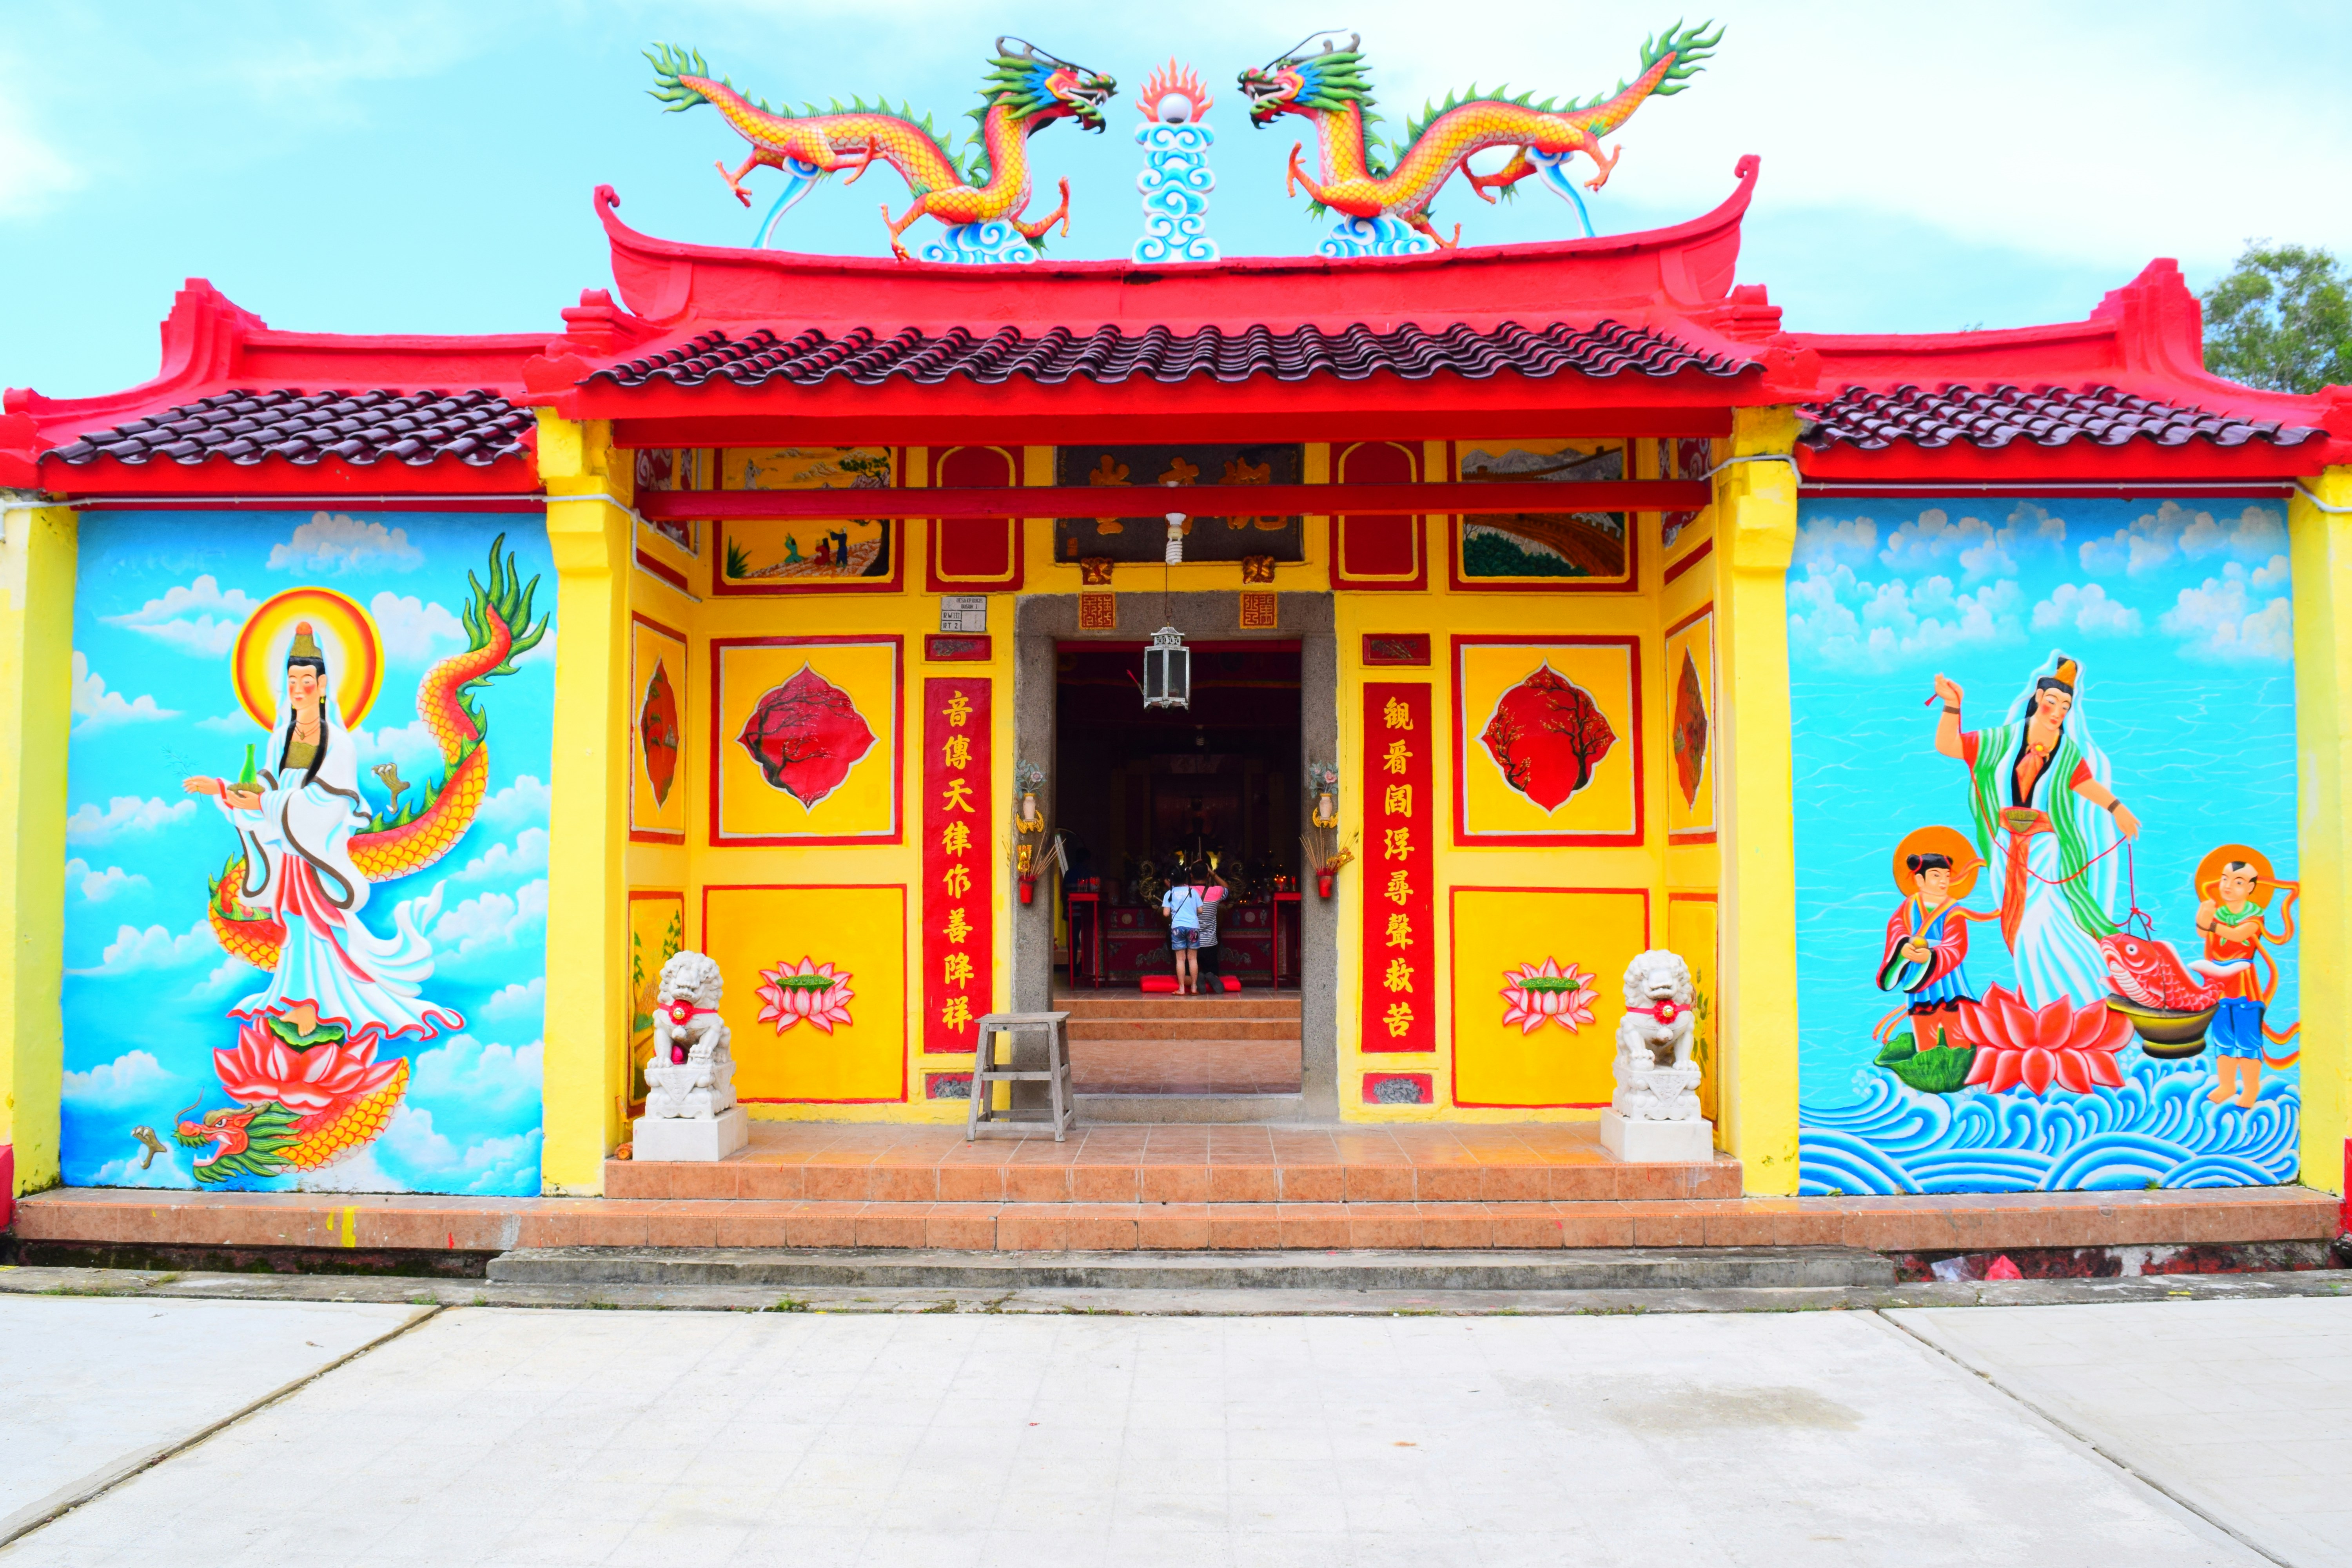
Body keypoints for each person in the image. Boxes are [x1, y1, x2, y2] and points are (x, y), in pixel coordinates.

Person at [181, 623, 459, 1047]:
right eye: (291, 682)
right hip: (288, 849)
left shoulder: (338, 746)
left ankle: (322, 1001)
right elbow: (269, 790)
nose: (298, 690)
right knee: (294, 922)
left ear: (323, 685)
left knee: (320, 922)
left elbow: (329, 805)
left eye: (306, 682)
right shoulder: (281, 739)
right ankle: (297, 996)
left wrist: (270, 806)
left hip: (317, 851)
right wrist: (224, 791)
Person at [1931, 653, 2138, 1009]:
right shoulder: (2001, 741)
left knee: (2041, 923)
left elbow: (2086, 785)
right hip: (2005, 850)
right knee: (2019, 925)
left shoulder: (2067, 752)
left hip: (2045, 847)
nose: (2058, 711)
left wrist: (2117, 809)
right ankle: (2049, 1003)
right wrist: (1952, 706)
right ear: (2038, 700)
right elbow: (1948, 746)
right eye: (2052, 702)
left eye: (2066, 705)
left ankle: (2074, 999)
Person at [2197, 858, 2297, 1109]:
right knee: (2223, 1036)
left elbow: (2238, 934)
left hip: (2244, 986)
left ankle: (2251, 1087)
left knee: (2247, 1038)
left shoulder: (2255, 914)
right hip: (2219, 984)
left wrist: (2208, 923)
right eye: (2225, 879)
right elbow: (2203, 934)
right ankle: (2227, 1084)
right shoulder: (2220, 913)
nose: (2228, 886)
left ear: (2252, 887)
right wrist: (2204, 916)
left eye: (2238, 882)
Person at [1876, 850, 1994, 1019]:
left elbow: (1957, 944)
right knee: (1922, 1012)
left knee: (1952, 1010)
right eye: (1936, 876)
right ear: (1920, 880)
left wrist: (1932, 956)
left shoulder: (1954, 909)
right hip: (1916, 964)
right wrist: (1904, 946)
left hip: (1944, 967)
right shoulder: (1910, 904)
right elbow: (1897, 927)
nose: (1943, 882)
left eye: (1947, 876)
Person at [1161, 872, 1205, 995]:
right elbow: (1201, 910)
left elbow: (1165, 913)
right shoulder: (1193, 892)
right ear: (1186, 879)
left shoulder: (1170, 893)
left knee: (1180, 960)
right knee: (1193, 959)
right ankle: (1194, 988)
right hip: (1193, 927)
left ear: (1172, 880)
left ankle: (1181, 989)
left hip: (1177, 928)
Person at [1192, 859, 1229, 994]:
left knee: (1191, 968)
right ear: (1207, 875)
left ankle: (1197, 978)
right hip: (1210, 943)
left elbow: (1173, 885)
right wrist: (1213, 874)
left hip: (1192, 942)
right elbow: (1227, 888)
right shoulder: (1217, 892)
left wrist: (1191, 868)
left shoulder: (1186, 892)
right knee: (1213, 971)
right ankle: (1210, 975)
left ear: (1191, 875)